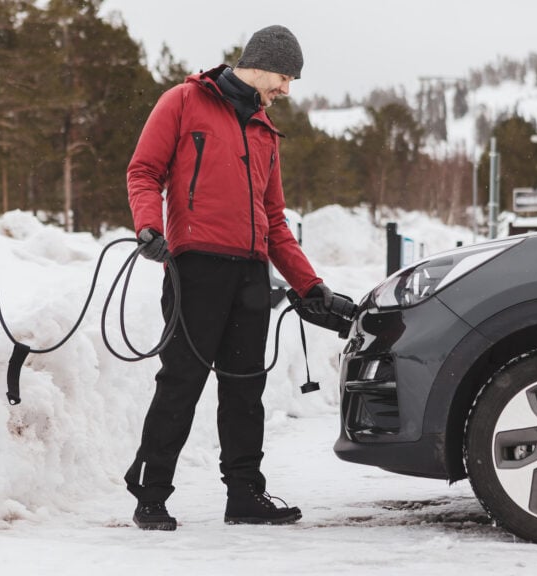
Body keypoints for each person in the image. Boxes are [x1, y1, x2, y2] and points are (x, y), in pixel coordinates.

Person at [124, 25, 335, 531]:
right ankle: (150, 494)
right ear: (259, 64)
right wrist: (149, 227)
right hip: (194, 267)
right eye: (284, 77)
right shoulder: (182, 101)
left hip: (250, 275)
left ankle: (245, 495)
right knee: (182, 383)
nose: (286, 90)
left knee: (245, 389)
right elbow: (143, 171)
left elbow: (275, 220)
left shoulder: (264, 130)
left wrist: (310, 285)